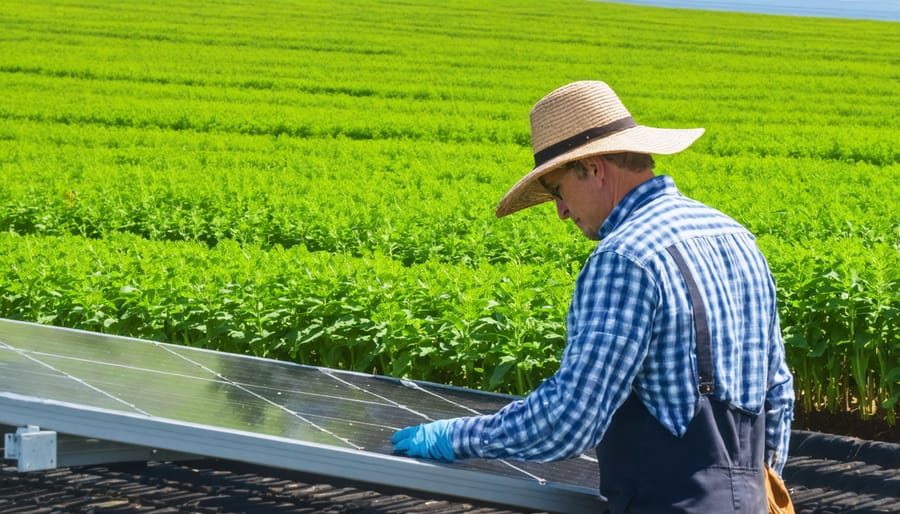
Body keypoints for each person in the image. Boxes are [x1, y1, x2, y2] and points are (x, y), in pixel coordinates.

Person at [391, 80, 795, 513]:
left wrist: (456, 438)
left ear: (595, 168)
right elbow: (779, 392)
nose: (561, 211)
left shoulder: (626, 256)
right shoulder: (735, 236)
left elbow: (571, 419)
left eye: (559, 191)